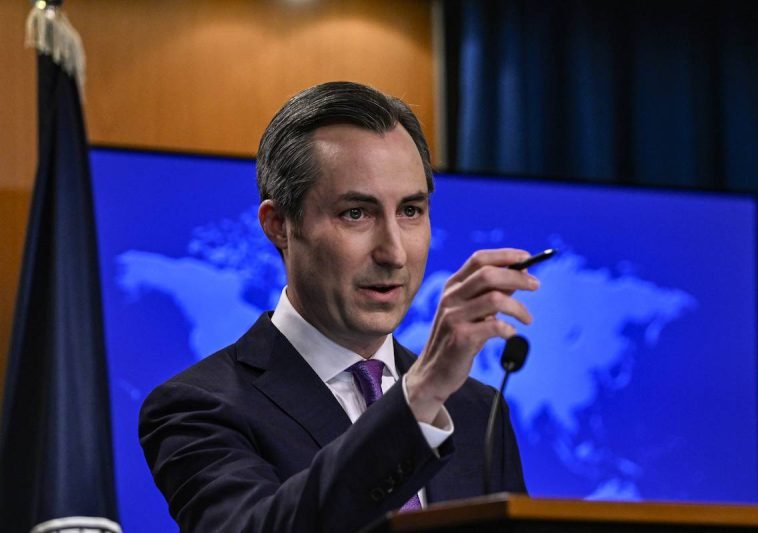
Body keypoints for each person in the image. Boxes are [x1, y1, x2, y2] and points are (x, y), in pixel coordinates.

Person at [139, 81, 540, 532]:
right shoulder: (198, 406)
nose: (394, 253)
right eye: (356, 213)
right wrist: (418, 396)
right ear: (279, 225)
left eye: (410, 211)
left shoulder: (476, 410)